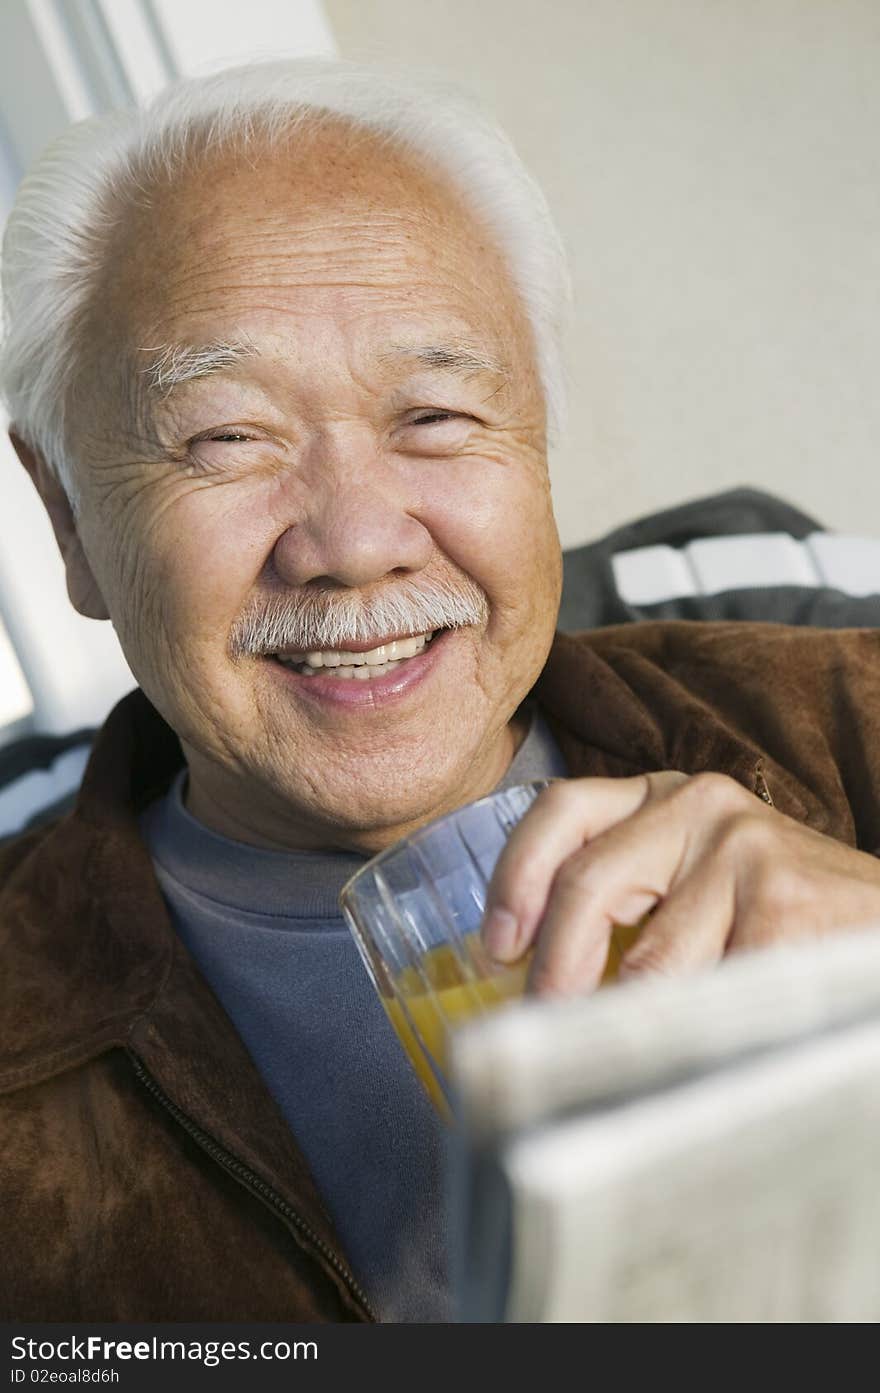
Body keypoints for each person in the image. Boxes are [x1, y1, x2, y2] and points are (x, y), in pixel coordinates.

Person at [2, 59, 880, 1324]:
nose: (355, 540)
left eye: (436, 414)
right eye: (226, 437)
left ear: (537, 433)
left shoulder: (845, 714)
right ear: (69, 517)